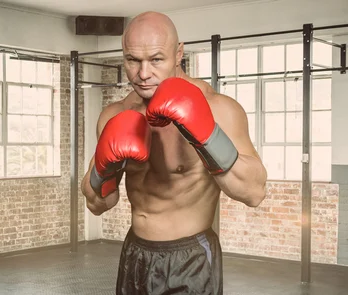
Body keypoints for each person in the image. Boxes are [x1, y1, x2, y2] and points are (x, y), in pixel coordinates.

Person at [80, 11, 268, 295]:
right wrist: (102, 170)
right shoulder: (116, 114)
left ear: (178, 53)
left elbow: (254, 192)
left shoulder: (218, 109)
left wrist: (207, 135)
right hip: (135, 254)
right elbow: (97, 204)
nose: (143, 74)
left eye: (156, 59)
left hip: (190, 257)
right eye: (133, 60)